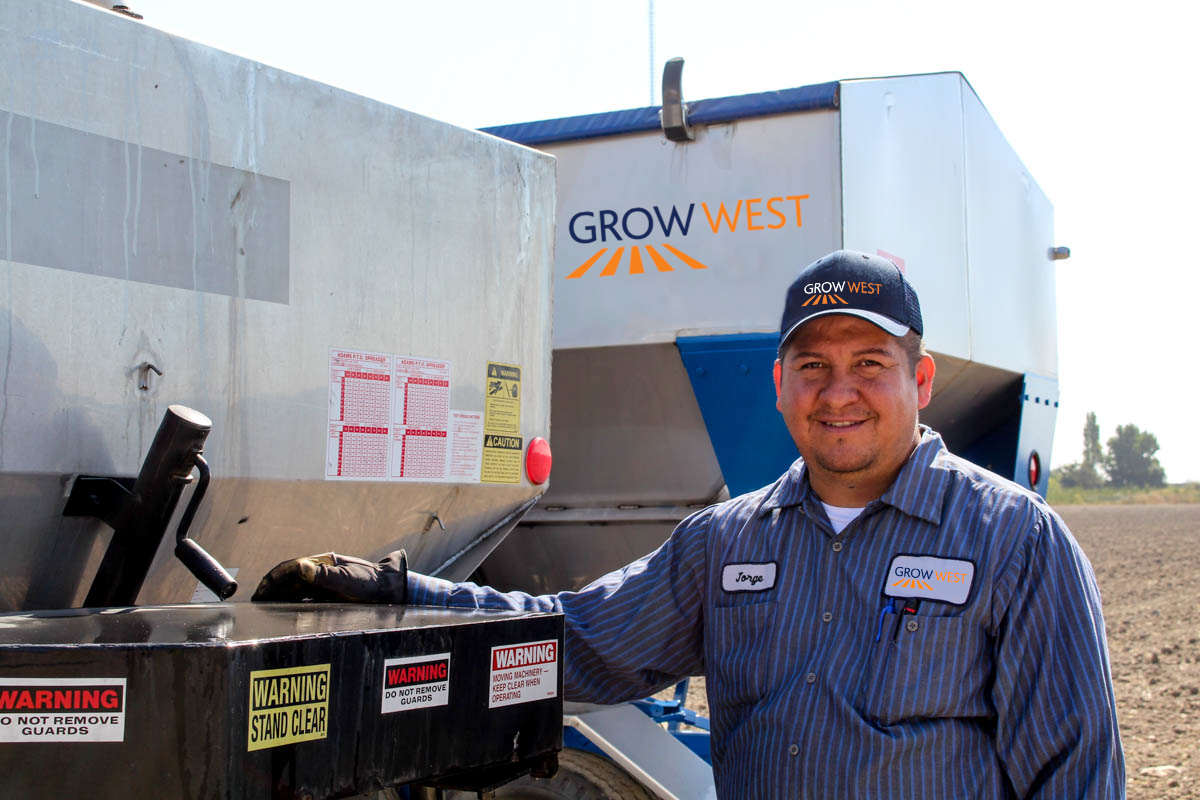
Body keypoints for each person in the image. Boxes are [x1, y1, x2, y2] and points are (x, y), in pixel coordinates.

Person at [256, 250, 1125, 798]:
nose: (839, 392)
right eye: (813, 365)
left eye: (871, 363)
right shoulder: (729, 544)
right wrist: (401, 594)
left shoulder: (1016, 542)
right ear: (779, 383)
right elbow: (578, 640)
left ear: (922, 378)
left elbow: (1077, 776)